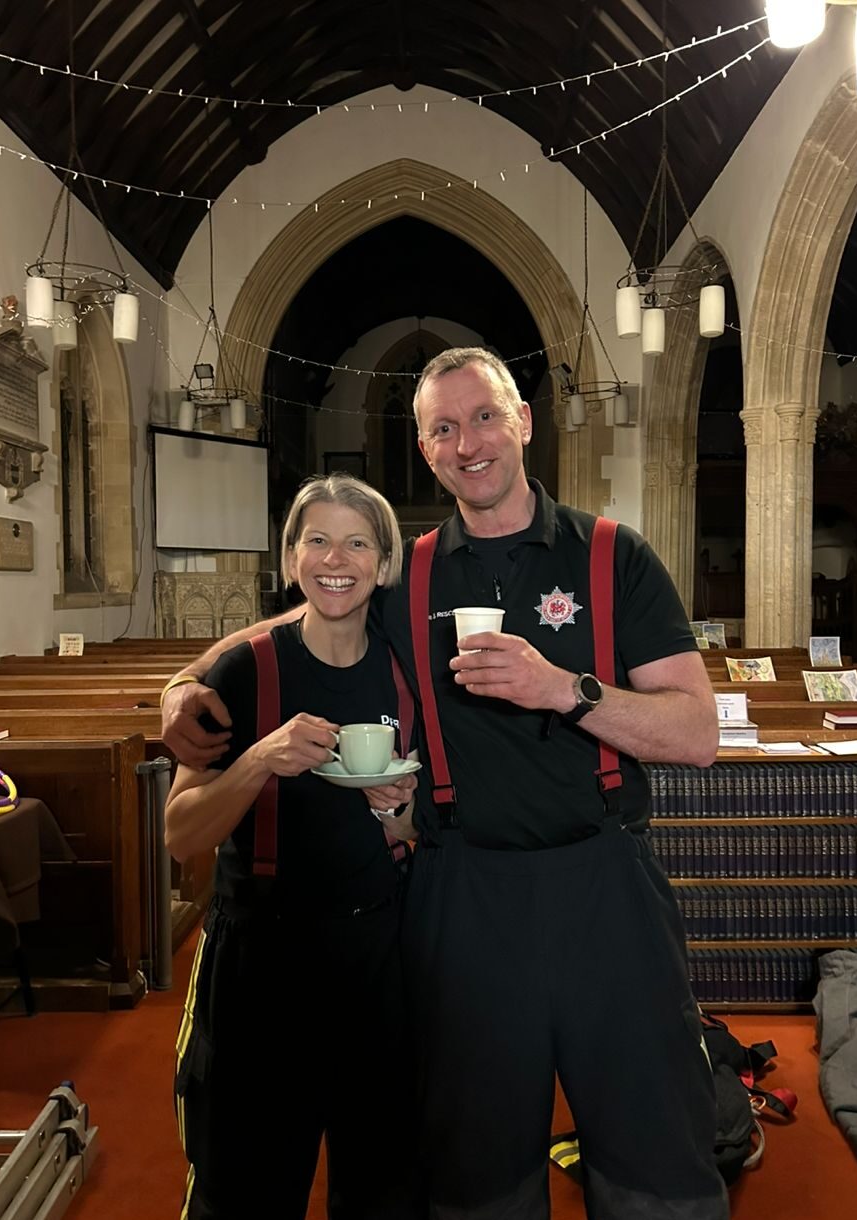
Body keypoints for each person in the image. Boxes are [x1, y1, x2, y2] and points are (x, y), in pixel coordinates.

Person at [162, 347, 728, 1220]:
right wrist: (178, 683)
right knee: (477, 1167)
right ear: (425, 450)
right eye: (442, 428)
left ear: (523, 422)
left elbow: (696, 735)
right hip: (463, 893)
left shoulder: (613, 555)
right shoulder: (411, 574)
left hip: (606, 886)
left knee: (654, 1150)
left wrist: (561, 690)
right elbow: (318, 598)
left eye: (485, 417)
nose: (469, 443)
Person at [165, 474, 424, 1220]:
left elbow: (416, 833)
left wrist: (397, 815)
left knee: (382, 1186)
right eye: (315, 539)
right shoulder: (244, 670)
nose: (334, 557)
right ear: (288, 560)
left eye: (356, 541)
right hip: (260, 961)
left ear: (382, 562)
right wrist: (256, 762)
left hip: (379, 957)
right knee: (242, 1188)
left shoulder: (405, 672)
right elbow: (180, 834)